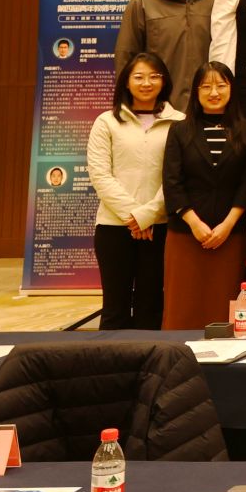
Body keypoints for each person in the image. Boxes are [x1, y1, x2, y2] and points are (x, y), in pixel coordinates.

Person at [88, 51, 180, 330]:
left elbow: (177, 177)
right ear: (126, 82)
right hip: (115, 226)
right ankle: (111, 358)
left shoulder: (179, 122)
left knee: (151, 307)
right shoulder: (107, 121)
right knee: (114, 308)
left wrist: (148, 215)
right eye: (138, 77)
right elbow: (100, 174)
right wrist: (135, 216)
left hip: (160, 227)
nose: (146, 83)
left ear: (164, 81)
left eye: (154, 76)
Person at [160, 61, 246, 329]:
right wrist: (195, 223)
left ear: (231, 89)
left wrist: (227, 225)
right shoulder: (179, 130)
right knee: (182, 305)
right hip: (185, 234)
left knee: (223, 306)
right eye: (206, 86)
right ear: (196, 91)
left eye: (221, 85)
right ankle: (179, 351)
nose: (214, 92)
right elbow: (172, 182)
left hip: (230, 234)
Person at [115, 0, 213, 111]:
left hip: (207, 107)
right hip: (156, 108)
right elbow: (126, 57)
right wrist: (127, 106)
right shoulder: (142, 3)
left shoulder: (216, 3)